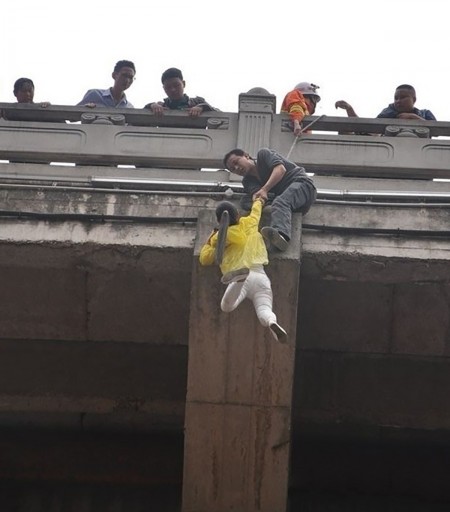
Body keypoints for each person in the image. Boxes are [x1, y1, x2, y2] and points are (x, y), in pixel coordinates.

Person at [199, 199, 287, 342]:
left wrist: (209, 241)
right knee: (264, 309)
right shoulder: (249, 223)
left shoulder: (217, 238)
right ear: (238, 215)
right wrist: (258, 201)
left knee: (226, 307)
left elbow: (204, 259)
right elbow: (256, 213)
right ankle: (272, 321)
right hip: (260, 274)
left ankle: (240, 280)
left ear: (217, 220)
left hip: (240, 275)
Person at [223, 148, 316, 252]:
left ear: (246, 155)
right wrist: (258, 198)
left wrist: (264, 189)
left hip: (302, 185)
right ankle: (279, 212)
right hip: (283, 196)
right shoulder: (248, 181)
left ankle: (281, 235)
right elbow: (258, 194)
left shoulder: (263, 155)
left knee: (280, 202)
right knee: (245, 201)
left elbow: (280, 169)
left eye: (236, 162)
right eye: (233, 169)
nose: (236, 168)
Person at [144, 67, 218, 117]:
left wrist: (203, 107)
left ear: (184, 84)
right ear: (164, 88)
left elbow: (219, 114)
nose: (173, 89)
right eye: (168, 87)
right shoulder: (162, 106)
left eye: (176, 85)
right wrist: (151, 106)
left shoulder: (197, 102)